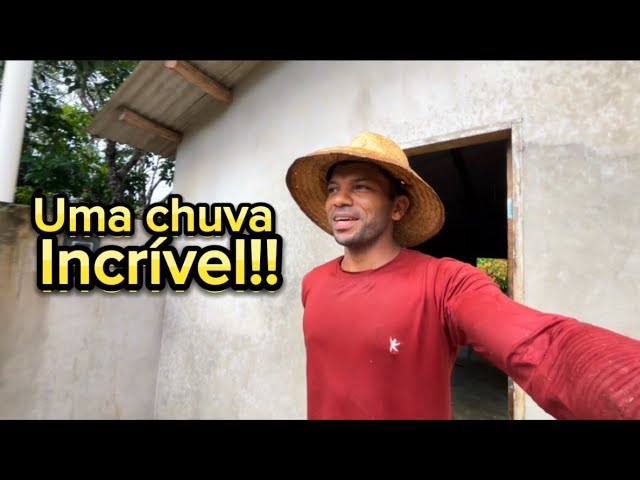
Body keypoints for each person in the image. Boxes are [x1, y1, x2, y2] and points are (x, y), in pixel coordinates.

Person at [285, 131, 640, 420]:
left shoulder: (444, 282)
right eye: (333, 188)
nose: (339, 199)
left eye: (361, 187)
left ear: (398, 207)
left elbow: (545, 347)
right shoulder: (313, 283)